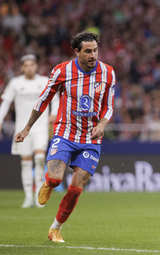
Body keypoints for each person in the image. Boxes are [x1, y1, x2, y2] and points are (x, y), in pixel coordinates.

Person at [15, 31, 116, 243]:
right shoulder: (62, 70)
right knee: (54, 178)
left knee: (77, 187)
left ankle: (55, 228)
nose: (93, 55)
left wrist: (103, 124)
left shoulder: (108, 72)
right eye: (88, 51)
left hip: (91, 138)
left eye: (95, 50)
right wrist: (27, 128)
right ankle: (48, 184)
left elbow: (109, 105)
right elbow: (44, 99)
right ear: (77, 51)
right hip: (65, 133)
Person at [0, 54, 58, 208]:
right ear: (22, 67)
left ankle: (39, 197)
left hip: (40, 128)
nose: (29, 68)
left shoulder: (44, 81)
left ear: (36, 66)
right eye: (26, 65)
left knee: (39, 159)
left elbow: (56, 97)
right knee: (25, 162)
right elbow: (5, 103)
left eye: (32, 64)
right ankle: (28, 198)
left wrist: (54, 113)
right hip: (21, 128)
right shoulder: (15, 83)